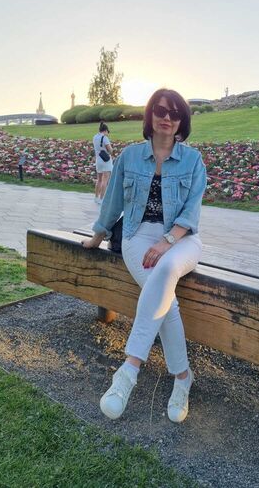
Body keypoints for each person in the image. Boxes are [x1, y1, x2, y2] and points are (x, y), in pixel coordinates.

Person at [82, 88, 207, 423]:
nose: (167, 118)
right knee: (167, 299)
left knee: (166, 271)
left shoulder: (193, 160)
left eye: (175, 113)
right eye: (160, 111)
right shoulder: (130, 157)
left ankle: (128, 370)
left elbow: (191, 213)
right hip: (137, 236)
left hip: (182, 239)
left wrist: (167, 241)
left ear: (182, 121)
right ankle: (183, 378)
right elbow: (112, 202)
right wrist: (98, 235)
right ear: (150, 115)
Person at [93, 122, 113, 204]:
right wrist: (112, 150)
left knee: (99, 180)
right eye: (108, 132)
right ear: (105, 130)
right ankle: (101, 199)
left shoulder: (95, 137)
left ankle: (96, 197)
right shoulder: (105, 138)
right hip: (106, 161)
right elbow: (110, 150)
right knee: (105, 180)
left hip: (98, 160)